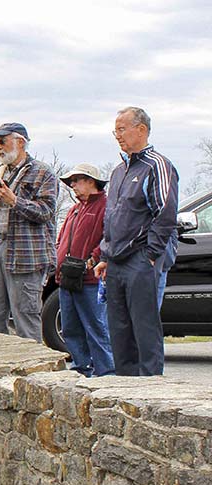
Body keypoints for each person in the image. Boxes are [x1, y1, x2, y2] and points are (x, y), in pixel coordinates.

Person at [94, 107, 178, 376]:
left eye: (121, 129)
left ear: (141, 130)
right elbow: (112, 218)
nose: (117, 135)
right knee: (118, 330)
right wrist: (105, 257)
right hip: (116, 263)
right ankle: (125, 389)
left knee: (144, 329)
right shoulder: (118, 172)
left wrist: (151, 255)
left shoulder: (157, 165)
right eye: (115, 130)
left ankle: (151, 390)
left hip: (141, 259)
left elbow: (165, 214)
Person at [0, 122, 58, 341]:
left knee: (25, 317)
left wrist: (14, 201)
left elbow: (46, 211)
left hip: (25, 255)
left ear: (20, 142)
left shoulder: (42, 172)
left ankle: (33, 370)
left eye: (3, 141)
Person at [56, 164, 115, 377]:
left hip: (91, 279)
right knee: (70, 328)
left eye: (77, 180)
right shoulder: (74, 209)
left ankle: (106, 372)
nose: (72, 185)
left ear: (91, 181)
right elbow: (62, 240)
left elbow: (110, 237)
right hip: (67, 278)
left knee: (96, 327)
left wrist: (94, 259)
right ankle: (81, 368)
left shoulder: (106, 205)